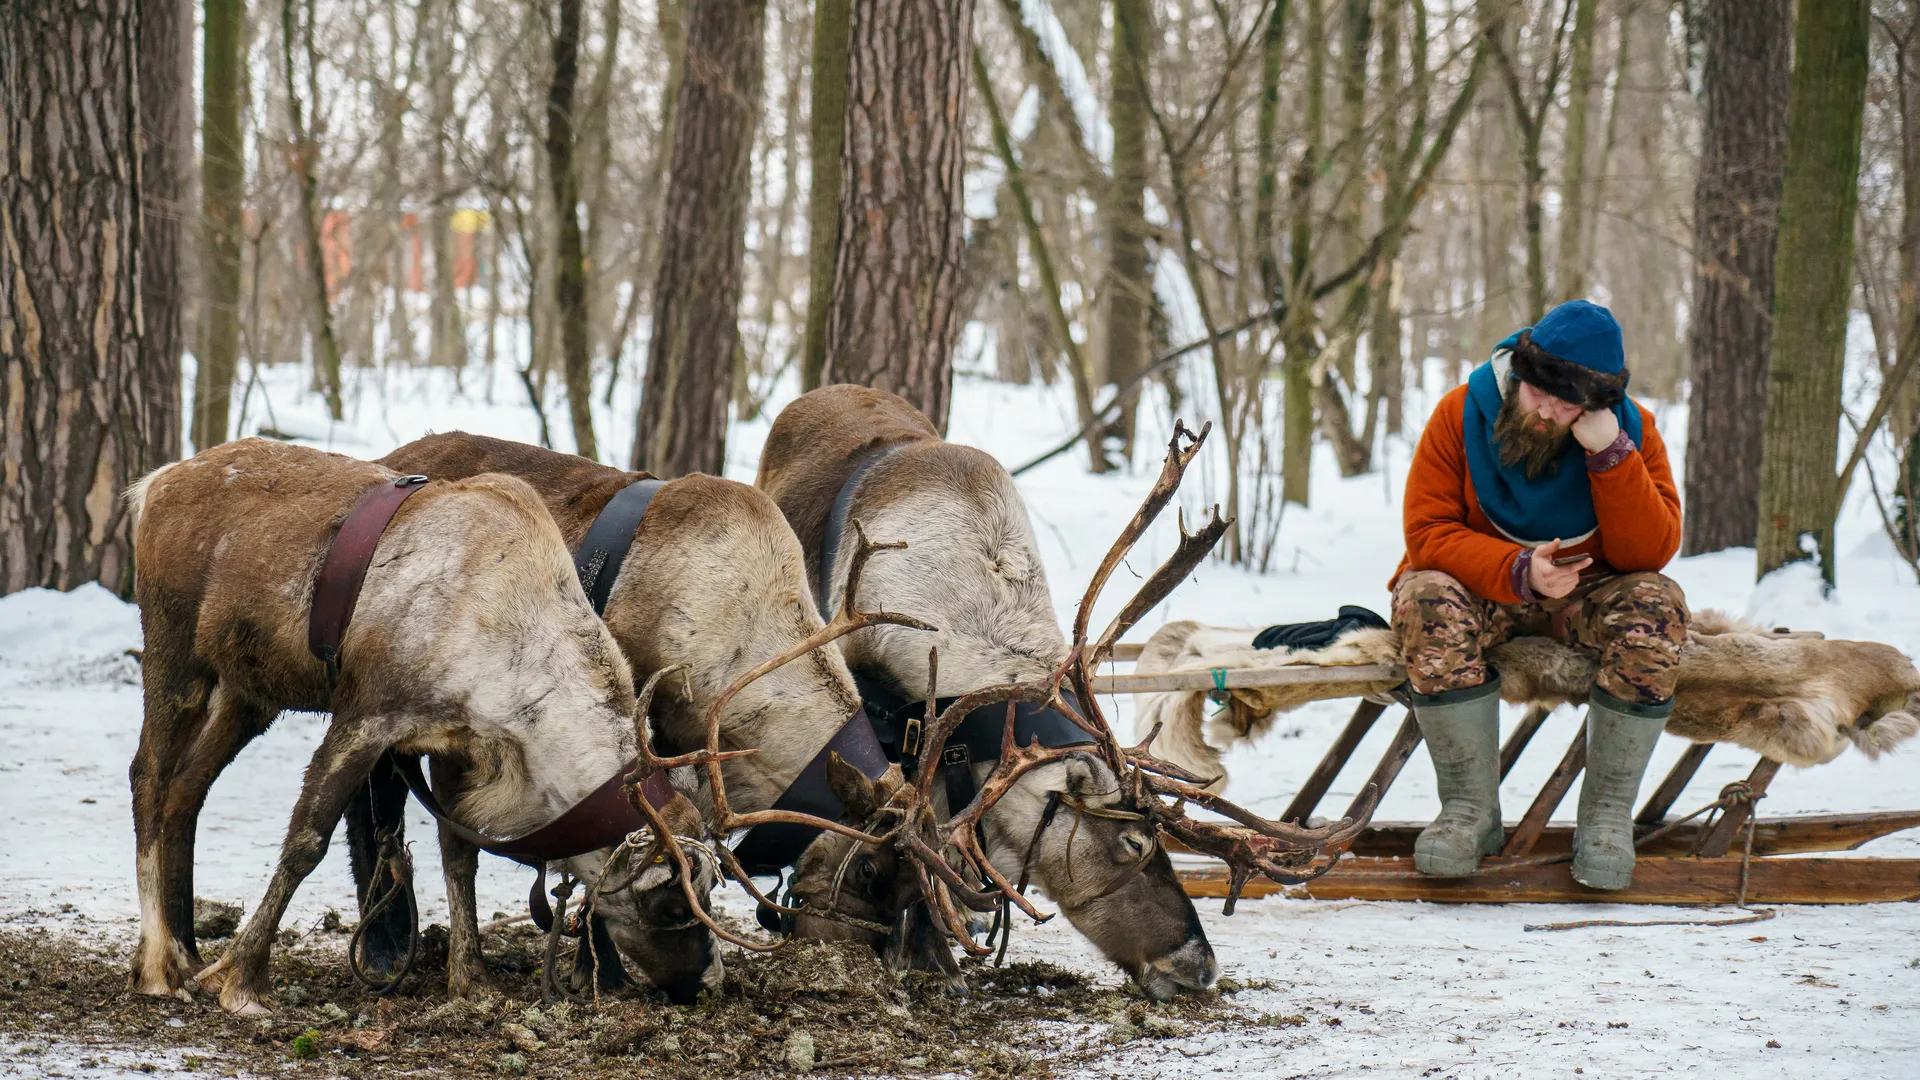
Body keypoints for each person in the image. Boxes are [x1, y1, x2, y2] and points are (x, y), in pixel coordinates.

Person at [1390, 299, 1686, 890]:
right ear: (1520, 375)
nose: (1547, 411)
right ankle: (1470, 813)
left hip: (1587, 595)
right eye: (1537, 393)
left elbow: (1648, 553)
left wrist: (1611, 454)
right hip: (1483, 589)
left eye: (1568, 401)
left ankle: (1605, 819)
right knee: (1422, 596)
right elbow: (1427, 532)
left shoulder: (1635, 431)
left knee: (1657, 602)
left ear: (1596, 403)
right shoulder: (1458, 412)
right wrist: (1518, 568)